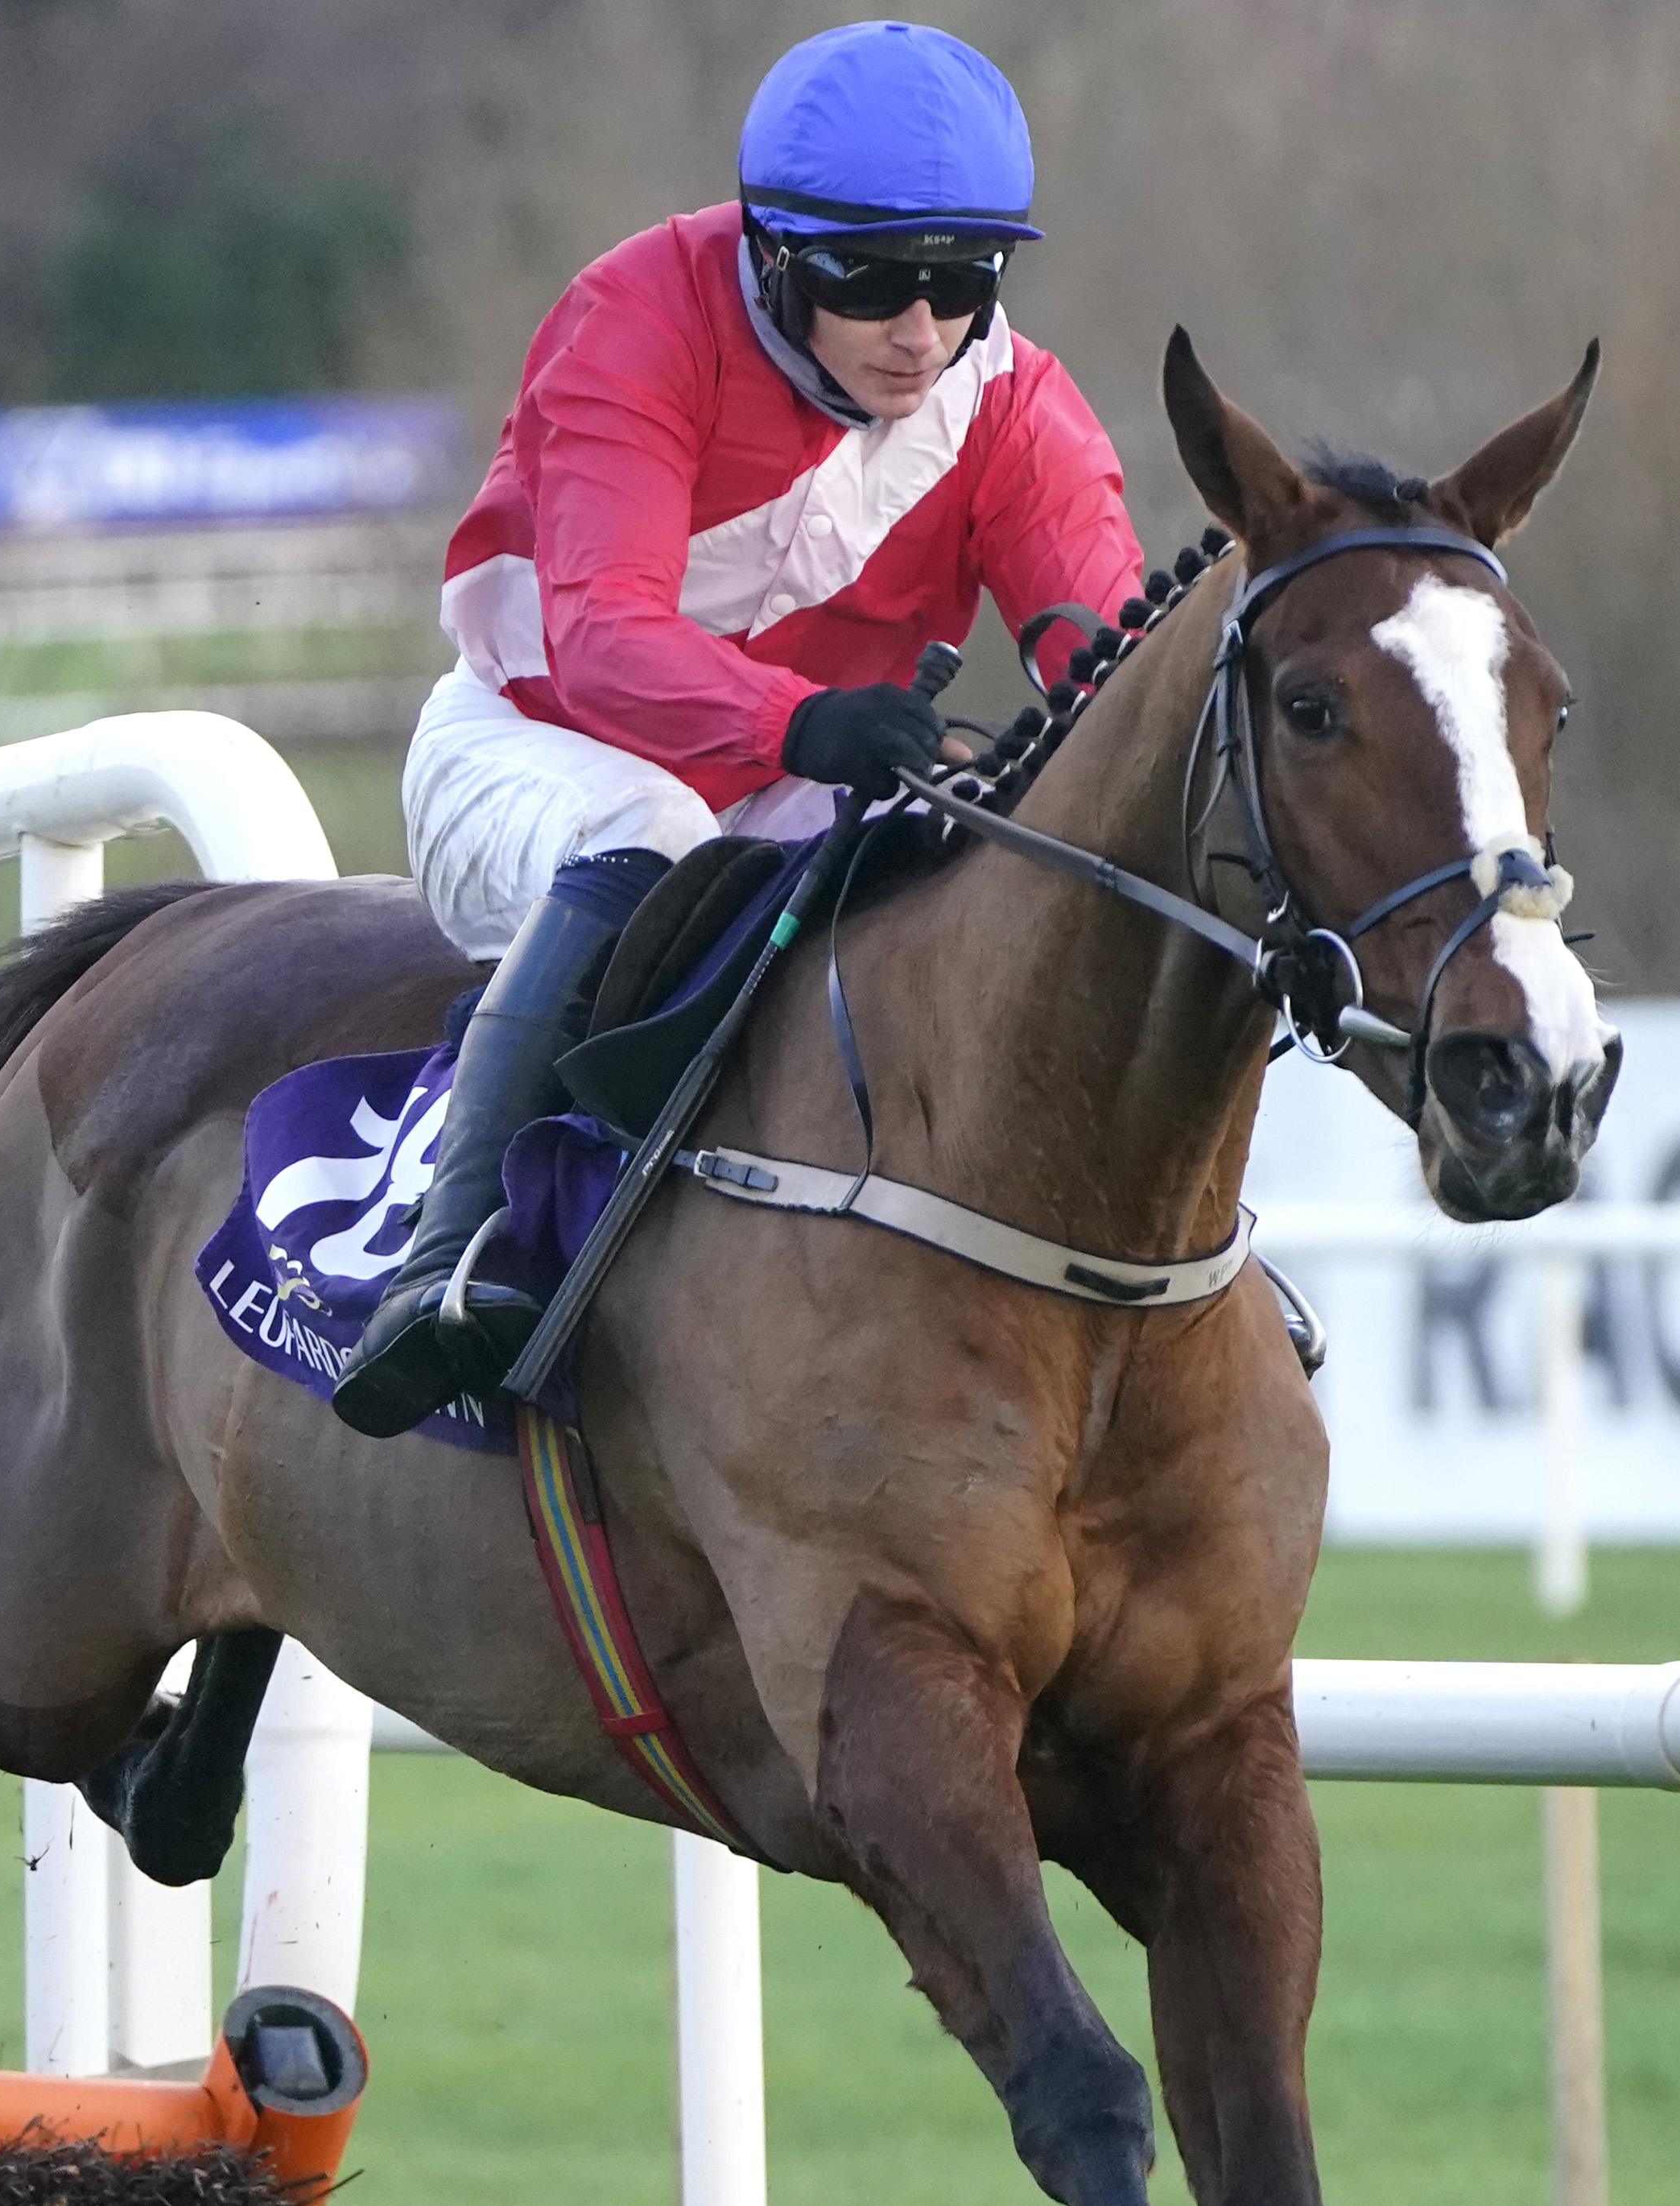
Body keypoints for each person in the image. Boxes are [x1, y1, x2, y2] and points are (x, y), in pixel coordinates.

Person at [332, 20, 1146, 1439]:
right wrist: (809, 720)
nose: (922, 329)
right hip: (530, 750)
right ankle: (452, 1257)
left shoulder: (1015, 409)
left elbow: (1107, 655)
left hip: (787, 793)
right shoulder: (638, 317)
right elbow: (602, 636)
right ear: (776, 251)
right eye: (876, 279)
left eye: (962, 281)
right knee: (652, 826)